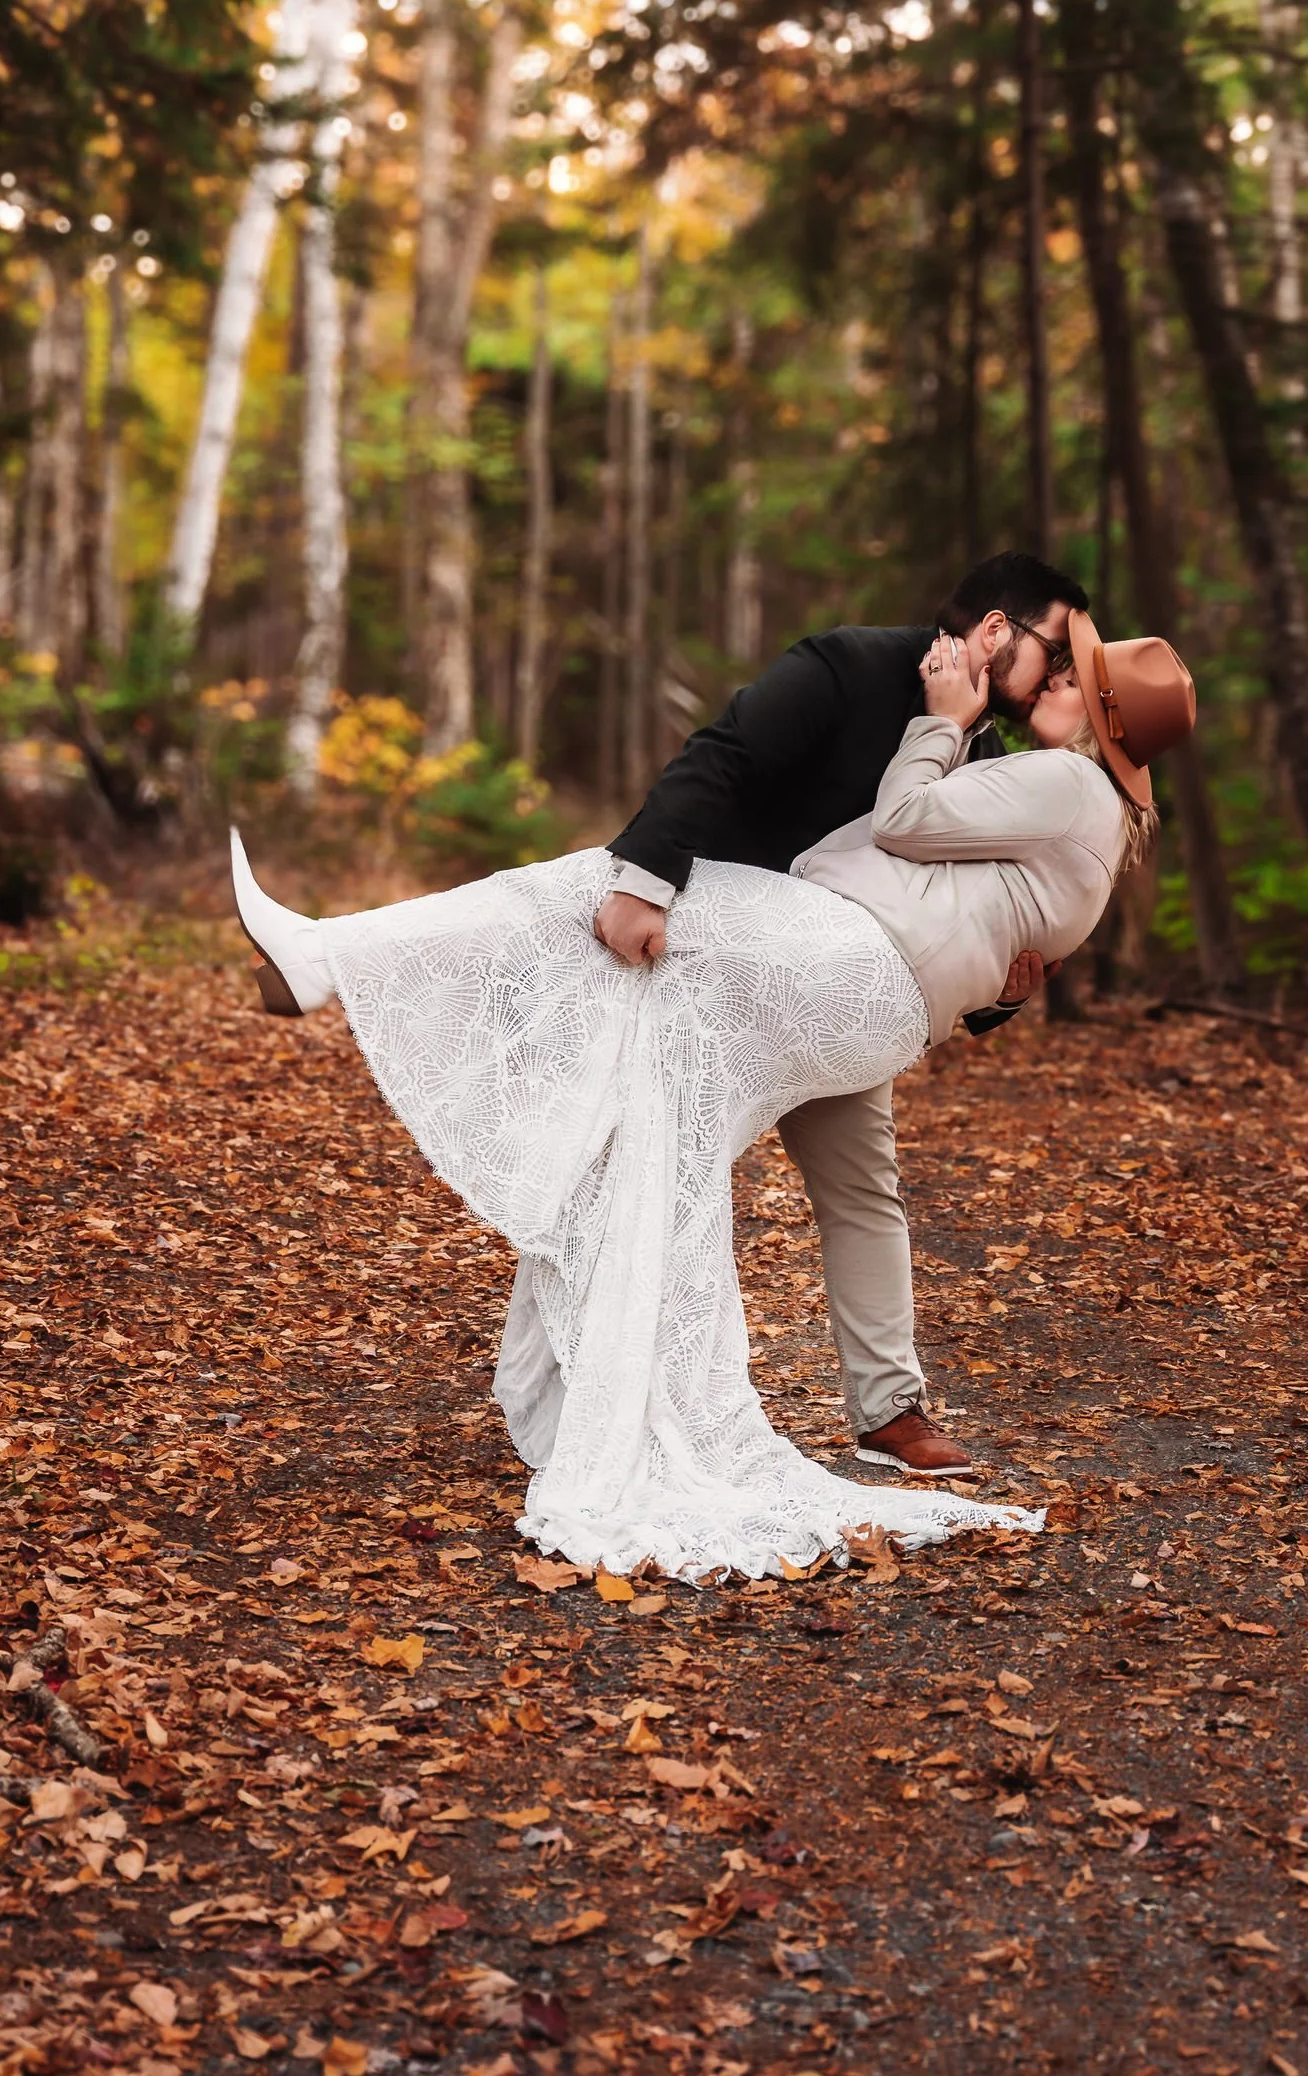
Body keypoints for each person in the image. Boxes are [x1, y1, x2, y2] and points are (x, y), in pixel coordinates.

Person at [231, 612, 1195, 1584]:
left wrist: (942, 719)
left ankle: (326, 958)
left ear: (1100, 718)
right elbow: (996, 941)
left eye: (1076, 682)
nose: (1054, 689)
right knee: (654, 1132)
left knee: (595, 889)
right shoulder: (1102, 831)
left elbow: (905, 821)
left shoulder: (1069, 781)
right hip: (874, 992)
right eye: (1061, 668)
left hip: (851, 956)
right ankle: (594, 1393)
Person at [596, 551, 1089, 1480]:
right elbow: (722, 753)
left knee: (866, 1191)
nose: (1058, 677)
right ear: (995, 631)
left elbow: (960, 923)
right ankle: (620, 1393)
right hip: (707, 967)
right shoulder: (852, 664)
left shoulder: (985, 757)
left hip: (833, 1002)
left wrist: (1007, 993)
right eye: (1053, 650)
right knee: (652, 1169)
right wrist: (647, 884)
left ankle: (889, 1411)